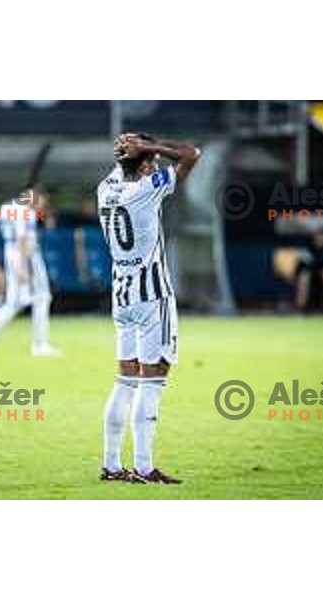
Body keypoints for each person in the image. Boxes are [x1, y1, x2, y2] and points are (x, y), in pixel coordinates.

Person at [97, 132, 200, 484]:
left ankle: (111, 465)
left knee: (125, 380)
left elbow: (123, 165)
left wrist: (134, 149)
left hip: (122, 296)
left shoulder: (105, 189)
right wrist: (153, 146)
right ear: (144, 166)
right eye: (152, 163)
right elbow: (191, 154)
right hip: (152, 298)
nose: (156, 165)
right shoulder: (145, 190)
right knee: (153, 381)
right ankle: (143, 467)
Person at [0, 188, 61, 356]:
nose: (41, 208)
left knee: (28, 299)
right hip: (25, 255)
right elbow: (22, 239)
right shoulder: (26, 212)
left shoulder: (7, 207)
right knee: (27, 299)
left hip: (11, 253)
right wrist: (23, 266)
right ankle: (37, 345)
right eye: (41, 202)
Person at [294, 228, 323, 312]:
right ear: (314, 237)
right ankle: (300, 309)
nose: (321, 239)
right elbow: (299, 269)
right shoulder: (307, 250)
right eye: (319, 237)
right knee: (304, 277)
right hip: (310, 279)